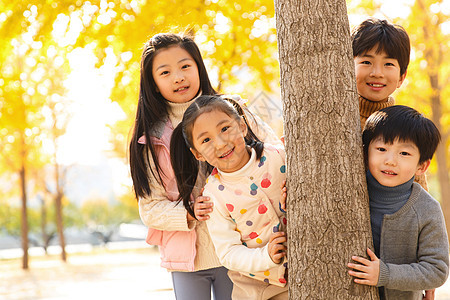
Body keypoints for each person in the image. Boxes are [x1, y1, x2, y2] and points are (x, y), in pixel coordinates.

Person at [129, 33, 233, 300]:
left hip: (236, 248)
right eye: (165, 72)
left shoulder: (232, 113)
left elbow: (266, 154)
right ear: (153, 83)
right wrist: (188, 212)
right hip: (187, 260)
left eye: (185, 66)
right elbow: (150, 209)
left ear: (199, 67)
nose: (178, 77)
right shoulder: (150, 140)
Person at [171, 95, 288, 300]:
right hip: (255, 288)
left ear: (242, 126)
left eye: (225, 128)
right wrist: (265, 256)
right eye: (206, 140)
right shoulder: (213, 196)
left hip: (301, 273)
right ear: (197, 154)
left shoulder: (278, 156)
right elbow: (228, 252)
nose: (220, 143)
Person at [347, 105, 449, 300]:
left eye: (404, 154)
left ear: (422, 165)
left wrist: (384, 274)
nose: (390, 160)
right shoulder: (349, 192)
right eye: (381, 149)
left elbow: (437, 270)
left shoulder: (426, 209)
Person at [351, 17, 428, 191]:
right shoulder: (332, 118)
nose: (377, 73)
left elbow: (419, 192)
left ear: (402, 77)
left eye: (388, 64)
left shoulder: (405, 127)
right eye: (366, 62)